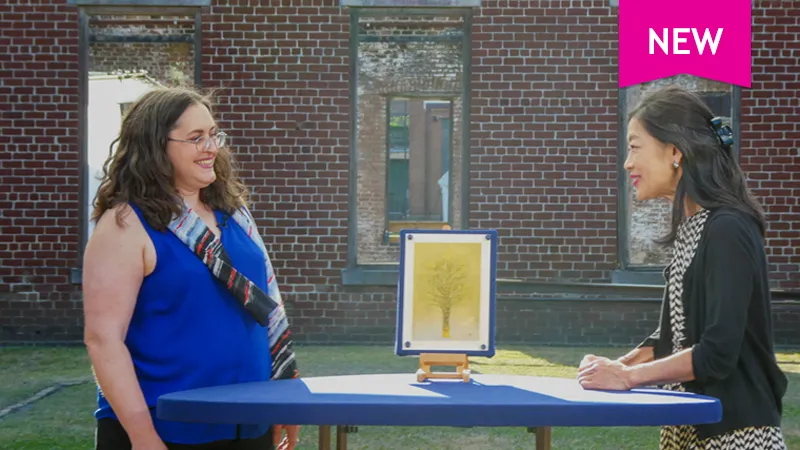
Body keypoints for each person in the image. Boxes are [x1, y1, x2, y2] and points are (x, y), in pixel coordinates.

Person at [82, 87, 300, 450]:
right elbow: (103, 339)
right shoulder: (125, 224)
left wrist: (284, 393)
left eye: (213, 134)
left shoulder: (234, 215)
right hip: (166, 428)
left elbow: (266, 311)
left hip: (248, 422)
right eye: (196, 138)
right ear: (155, 146)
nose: (211, 147)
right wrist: (143, 438)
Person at [577, 85, 788, 449]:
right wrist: (613, 367)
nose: (627, 163)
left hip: (735, 434)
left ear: (675, 152)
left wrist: (627, 377)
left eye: (634, 146)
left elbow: (718, 353)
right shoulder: (696, 228)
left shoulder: (728, 229)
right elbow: (670, 343)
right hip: (690, 429)